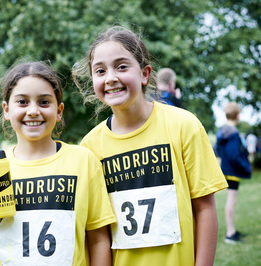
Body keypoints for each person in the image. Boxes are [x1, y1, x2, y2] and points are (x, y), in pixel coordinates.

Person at [73, 26, 228, 266]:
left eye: (122, 66)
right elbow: (97, 231)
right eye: (100, 70)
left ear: (145, 74)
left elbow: (205, 209)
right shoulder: (90, 146)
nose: (111, 77)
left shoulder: (183, 125)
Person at [0, 61, 116, 266]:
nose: (33, 111)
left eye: (44, 102)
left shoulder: (84, 161)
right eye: (22, 102)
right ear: (6, 110)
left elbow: (98, 240)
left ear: (59, 110)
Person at [216, 102, 252, 244]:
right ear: (237, 115)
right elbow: (234, 155)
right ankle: (230, 234)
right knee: (231, 201)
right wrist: (246, 167)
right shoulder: (233, 133)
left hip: (226, 169)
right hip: (233, 171)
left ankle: (232, 230)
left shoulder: (222, 131)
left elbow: (218, 150)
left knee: (231, 201)